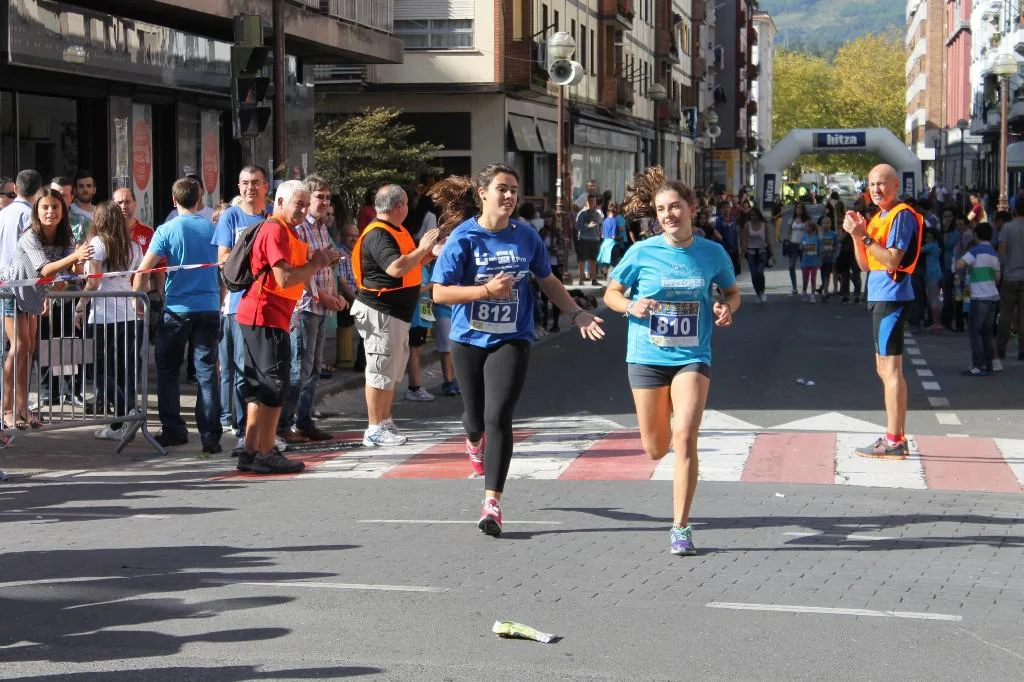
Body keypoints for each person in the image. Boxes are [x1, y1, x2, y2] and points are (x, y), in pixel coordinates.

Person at [431, 164, 604, 536]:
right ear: (483, 193)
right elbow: (440, 293)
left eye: (513, 189)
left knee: (498, 417)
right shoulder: (464, 237)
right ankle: (472, 440)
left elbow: (547, 279)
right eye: (501, 189)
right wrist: (485, 291)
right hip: (468, 338)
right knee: (476, 420)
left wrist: (575, 313)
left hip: (513, 337)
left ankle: (492, 502)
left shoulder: (525, 236)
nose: (509, 196)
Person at [604, 168, 740, 555]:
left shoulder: (712, 253)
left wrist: (726, 308)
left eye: (675, 206)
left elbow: (732, 293)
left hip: (692, 355)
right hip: (646, 356)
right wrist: (630, 305)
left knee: (685, 436)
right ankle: (661, 427)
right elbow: (611, 293)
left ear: (691, 209)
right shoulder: (641, 252)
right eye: (662, 209)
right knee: (655, 448)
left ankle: (681, 526)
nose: (669, 215)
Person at [233, 180, 340, 474]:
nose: (304, 210)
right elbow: (284, 279)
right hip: (265, 315)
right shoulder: (275, 229)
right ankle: (266, 451)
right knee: (273, 385)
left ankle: (252, 450)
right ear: (280, 202)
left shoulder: (286, 230)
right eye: (299, 204)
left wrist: (318, 261)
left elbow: (297, 268)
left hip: (267, 315)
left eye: (306, 205)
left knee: (261, 386)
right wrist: (316, 263)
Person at [132, 176, 222, 453]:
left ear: (173, 200)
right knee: (206, 372)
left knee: (168, 371)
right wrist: (218, 299)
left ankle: (174, 430)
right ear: (199, 199)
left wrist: (139, 300)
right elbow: (222, 269)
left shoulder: (166, 230)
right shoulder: (213, 229)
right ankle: (210, 435)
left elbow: (143, 271)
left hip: (177, 309)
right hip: (208, 307)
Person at [841, 164, 923, 459]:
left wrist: (863, 236)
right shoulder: (879, 217)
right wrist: (856, 235)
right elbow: (866, 264)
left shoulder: (901, 215)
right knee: (884, 368)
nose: (876, 189)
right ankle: (896, 436)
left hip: (892, 296)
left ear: (896, 185)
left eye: (882, 183)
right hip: (880, 295)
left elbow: (891, 260)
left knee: (890, 369)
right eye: (872, 184)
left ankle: (894, 440)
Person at [351, 185, 440, 447]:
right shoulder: (378, 233)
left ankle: (385, 421)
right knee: (379, 370)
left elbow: (410, 262)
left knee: (390, 371)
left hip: (395, 314)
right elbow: (395, 267)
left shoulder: (396, 230)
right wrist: (422, 247)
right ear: (399, 206)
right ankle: (374, 427)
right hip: (381, 312)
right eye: (407, 203)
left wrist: (429, 252)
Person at [4, 189, 92, 430]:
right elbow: (44, 269)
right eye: (45, 207)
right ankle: (7, 410)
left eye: (55, 206)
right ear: (37, 211)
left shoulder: (65, 236)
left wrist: (79, 262)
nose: (50, 211)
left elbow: (69, 272)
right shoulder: (29, 236)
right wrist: (75, 257)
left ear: (63, 211)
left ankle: (23, 408)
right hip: (12, 292)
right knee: (18, 348)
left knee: (28, 350)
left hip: (34, 296)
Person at [277, 175, 347, 444]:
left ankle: (304, 421)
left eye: (327, 197)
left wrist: (335, 294)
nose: (324, 202)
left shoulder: (321, 228)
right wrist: (322, 296)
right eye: (319, 197)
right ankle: (284, 424)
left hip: (321, 307)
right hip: (305, 306)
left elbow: (325, 265)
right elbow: (300, 272)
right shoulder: (300, 228)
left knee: (314, 369)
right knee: (299, 369)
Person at [212, 166, 270, 448]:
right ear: (238, 187)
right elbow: (223, 258)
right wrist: (253, 265)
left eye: (256, 183)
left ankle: (266, 431)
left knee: (266, 372)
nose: (250, 188)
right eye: (245, 183)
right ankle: (240, 430)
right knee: (240, 370)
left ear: (265, 187)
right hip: (239, 305)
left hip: (270, 304)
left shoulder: (272, 217)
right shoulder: (230, 217)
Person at [77, 201, 144, 440]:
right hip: (127, 313)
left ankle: (127, 413)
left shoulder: (98, 243)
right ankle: (119, 423)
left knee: (99, 368)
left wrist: (79, 305)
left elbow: (94, 281)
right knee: (123, 369)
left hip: (104, 314)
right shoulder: (134, 246)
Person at [957, 222, 1001, 375]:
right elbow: (997, 277)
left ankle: (978, 365)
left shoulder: (975, 251)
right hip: (993, 296)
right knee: (987, 332)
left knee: (974, 331)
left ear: (976, 235)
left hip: (979, 296)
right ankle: (989, 364)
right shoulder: (994, 253)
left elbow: (959, 265)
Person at [997, 200, 1024, 361]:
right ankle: (1022, 350)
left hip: (1010, 276)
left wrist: (999, 270)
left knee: (1005, 314)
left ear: (1014, 210)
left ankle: (1001, 348)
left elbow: (1001, 252)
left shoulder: (1007, 228)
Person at [404, 265, 436, 402]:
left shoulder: (425, 267)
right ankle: (414, 388)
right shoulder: (416, 268)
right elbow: (416, 292)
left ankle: (415, 387)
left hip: (424, 312)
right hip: (416, 316)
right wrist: (433, 283)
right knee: (414, 352)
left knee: (418, 351)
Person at [739, 206, 772, 303]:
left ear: (758, 215)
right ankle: (758, 293)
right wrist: (742, 255)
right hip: (751, 252)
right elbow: (745, 241)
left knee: (759, 272)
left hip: (762, 251)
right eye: (751, 215)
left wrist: (772, 254)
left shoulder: (764, 225)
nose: (753, 217)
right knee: (754, 275)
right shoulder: (747, 225)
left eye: (754, 215)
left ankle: (762, 291)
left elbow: (768, 240)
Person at [574, 194, 602, 285]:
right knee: (582, 260)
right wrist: (587, 226)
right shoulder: (582, 214)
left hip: (595, 240)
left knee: (593, 260)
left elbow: (600, 226)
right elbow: (577, 226)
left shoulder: (597, 214)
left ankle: (594, 280)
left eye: (593, 201)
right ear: (587, 202)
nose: (592, 203)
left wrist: (600, 235)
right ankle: (581, 279)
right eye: (590, 201)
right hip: (584, 239)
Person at [785, 202, 812, 296]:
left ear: (803, 209)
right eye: (797, 208)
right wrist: (789, 240)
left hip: (804, 246)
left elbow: (811, 231)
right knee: (791, 266)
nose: (798, 210)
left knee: (805, 267)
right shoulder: (792, 219)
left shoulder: (807, 220)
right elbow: (789, 232)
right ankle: (794, 288)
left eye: (800, 208)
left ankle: (804, 289)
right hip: (793, 245)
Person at [920, 229, 944, 333]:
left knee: (933, 300)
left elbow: (919, 250)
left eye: (929, 237)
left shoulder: (931, 246)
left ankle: (936, 324)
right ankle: (936, 323)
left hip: (932, 274)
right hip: (937, 273)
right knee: (935, 299)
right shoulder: (936, 246)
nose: (926, 239)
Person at [596, 202, 621, 280]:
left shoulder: (605, 220)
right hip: (612, 244)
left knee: (605, 262)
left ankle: (604, 274)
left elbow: (602, 234)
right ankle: (610, 279)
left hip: (604, 243)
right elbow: (613, 235)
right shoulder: (614, 221)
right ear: (614, 211)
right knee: (613, 263)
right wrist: (619, 237)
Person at [800, 219, 822, 303]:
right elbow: (801, 248)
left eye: (806, 226)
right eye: (805, 226)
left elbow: (819, 250)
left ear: (811, 228)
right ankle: (804, 291)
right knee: (805, 279)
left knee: (813, 278)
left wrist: (820, 260)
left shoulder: (816, 238)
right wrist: (803, 247)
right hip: (805, 261)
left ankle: (812, 295)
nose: (805, 228)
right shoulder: (803, 237)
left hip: (814, 261)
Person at [818, 214, 838, 301]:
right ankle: (824, 288)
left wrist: (832, 250)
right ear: (821, 224)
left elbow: (836, 246)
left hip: (830, 258)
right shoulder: (819, 235)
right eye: (824, 223)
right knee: (822, 274)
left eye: (827, 223)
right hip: (821, 258)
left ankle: (825, 291)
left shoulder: (834, 234)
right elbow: (817, 246)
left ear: (830, 224)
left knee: (827, 274)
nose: (826, 224)